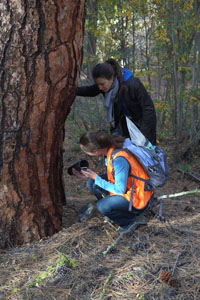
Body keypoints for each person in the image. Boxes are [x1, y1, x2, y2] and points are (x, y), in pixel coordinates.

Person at [72, 130, 154, 231]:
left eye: (86, 151)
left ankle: (129, 222)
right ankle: (117, 211)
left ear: (96, 151)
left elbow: (120, 190)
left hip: (140, 196)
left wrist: (97, 178)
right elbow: (114, 176)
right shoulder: (111, 149)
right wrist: (91, 178)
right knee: (91, 182)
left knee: (102, 205)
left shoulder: (119, 158)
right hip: (131, 188)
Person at [77, 58, 157, 145]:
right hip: (125, 127)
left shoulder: (132, 84)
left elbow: (148, 109)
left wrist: (143, 135)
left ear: (111, 78)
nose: (99, 88)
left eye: (102, 84)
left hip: (143, 126)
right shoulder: (107, 86)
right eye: (97, 84)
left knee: (145, 156)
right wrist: (71, 90)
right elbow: (90, 90)